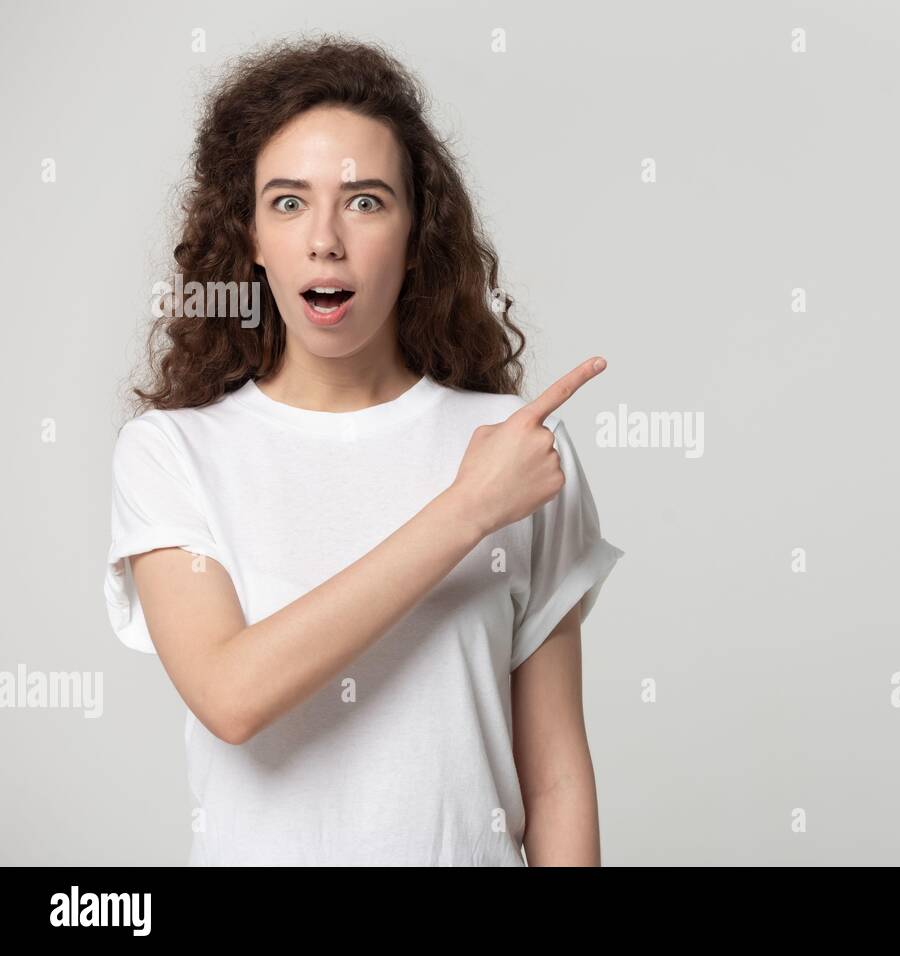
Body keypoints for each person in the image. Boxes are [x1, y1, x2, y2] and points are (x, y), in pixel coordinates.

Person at [103, 36, 625, 866]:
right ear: (249, 237)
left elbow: (557, 781)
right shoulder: (171, 453)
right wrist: (465, 512)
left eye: (365, 202)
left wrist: (491, 494)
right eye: (287, 202)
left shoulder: (518, 449)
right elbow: (231, 696)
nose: (325, 240)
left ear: (416, 235)